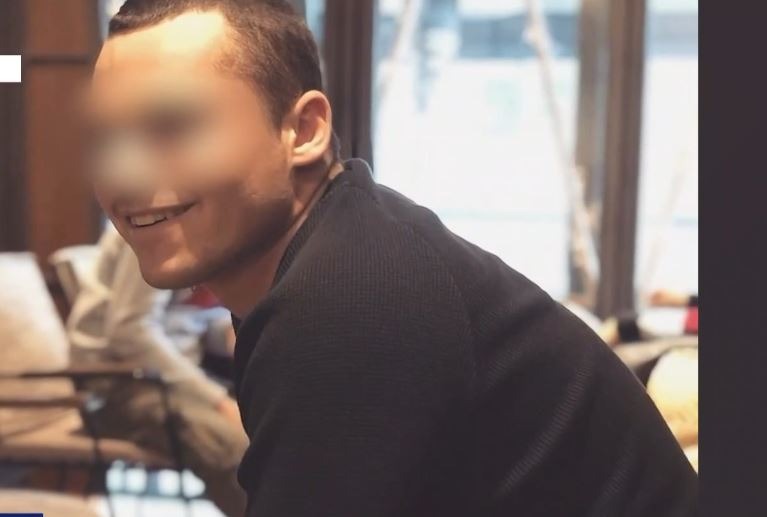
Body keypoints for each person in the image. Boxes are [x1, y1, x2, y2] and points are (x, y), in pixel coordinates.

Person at [83, 1, 698, 515]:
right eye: (105, 138)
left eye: (172, 126)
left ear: (304, 130)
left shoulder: (349, 299)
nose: (122, 176)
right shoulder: (344, 241)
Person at [66, 224, 247, 517]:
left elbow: (187, 321)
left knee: (274, 428)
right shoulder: (150, 225)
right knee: (234, 447)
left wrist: (234, 333)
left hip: (173, 376)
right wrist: (216, 400)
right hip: (118, 384)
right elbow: (130, 331)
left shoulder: (212, 229)